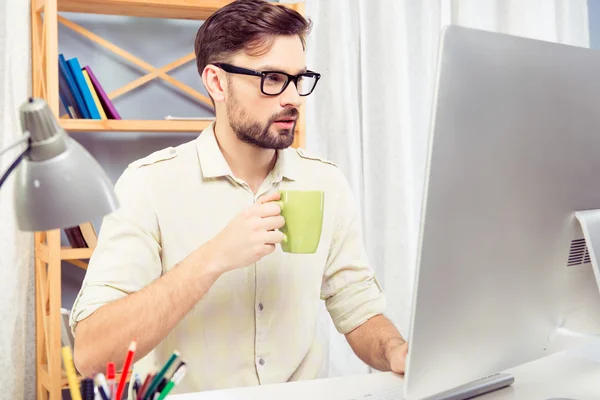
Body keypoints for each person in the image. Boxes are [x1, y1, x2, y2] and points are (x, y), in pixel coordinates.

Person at [70, 0, 408, 393]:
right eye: (272, 79)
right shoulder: (148, 185)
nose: (293, 99)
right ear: (216, 82)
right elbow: (92, 353)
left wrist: (396, 351)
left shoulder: (325, 183)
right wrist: (212, 258)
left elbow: (359, 310)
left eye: (298, 79)